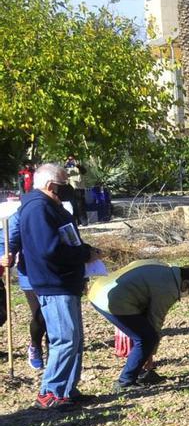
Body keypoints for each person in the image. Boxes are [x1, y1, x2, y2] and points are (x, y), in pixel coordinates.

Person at [12, 164, 100, 410]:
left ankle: (66, 390)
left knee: (74, 339)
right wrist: (84, 254)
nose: (67, 189)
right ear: (51, 186)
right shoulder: (38, 209)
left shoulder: (52, 207)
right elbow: (50, 249)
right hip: (53, 282)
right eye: (64, 184)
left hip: (66, 281)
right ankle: (49, 392)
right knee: (64, 340)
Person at [87, 260, 189, 391]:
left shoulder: (163, 267)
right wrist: (150, 352)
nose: (186, 296)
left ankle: (142, 373)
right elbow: (155, 321)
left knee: (144, 332)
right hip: (111, 301)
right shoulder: (168, 288)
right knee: (146, 338)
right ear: (186, 283)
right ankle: (125, 382)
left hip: (100, 288)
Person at [7, 208, 51, 370]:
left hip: (56, 273)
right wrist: (7, 254)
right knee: (40, 316)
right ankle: (35, 346)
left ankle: (53, 353)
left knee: (54, 316)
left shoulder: (58, 210)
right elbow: (8, 241)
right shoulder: (19, 215)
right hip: (30, 274)